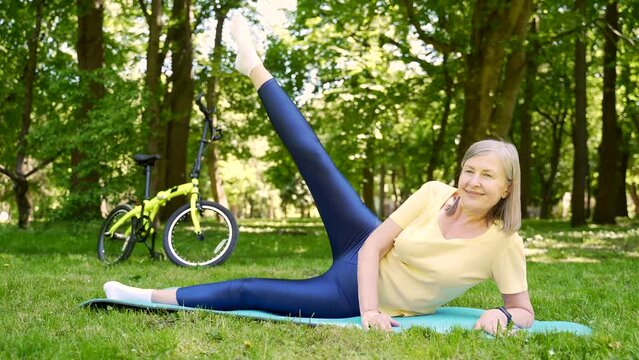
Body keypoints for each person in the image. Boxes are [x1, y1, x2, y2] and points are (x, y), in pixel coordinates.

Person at [103, 13, 534, 335]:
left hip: (343, 293)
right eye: (469, 170)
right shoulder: (435, 193)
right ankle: (252, 64)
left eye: (487, 176)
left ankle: (145, 296)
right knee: (314, 157)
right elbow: (372, 248)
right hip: (362, 249)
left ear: (506, 188)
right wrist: (369, 313)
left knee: (248, 293)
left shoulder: (503, 244)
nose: (474, 182)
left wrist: (503, 315)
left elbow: (524, 311)